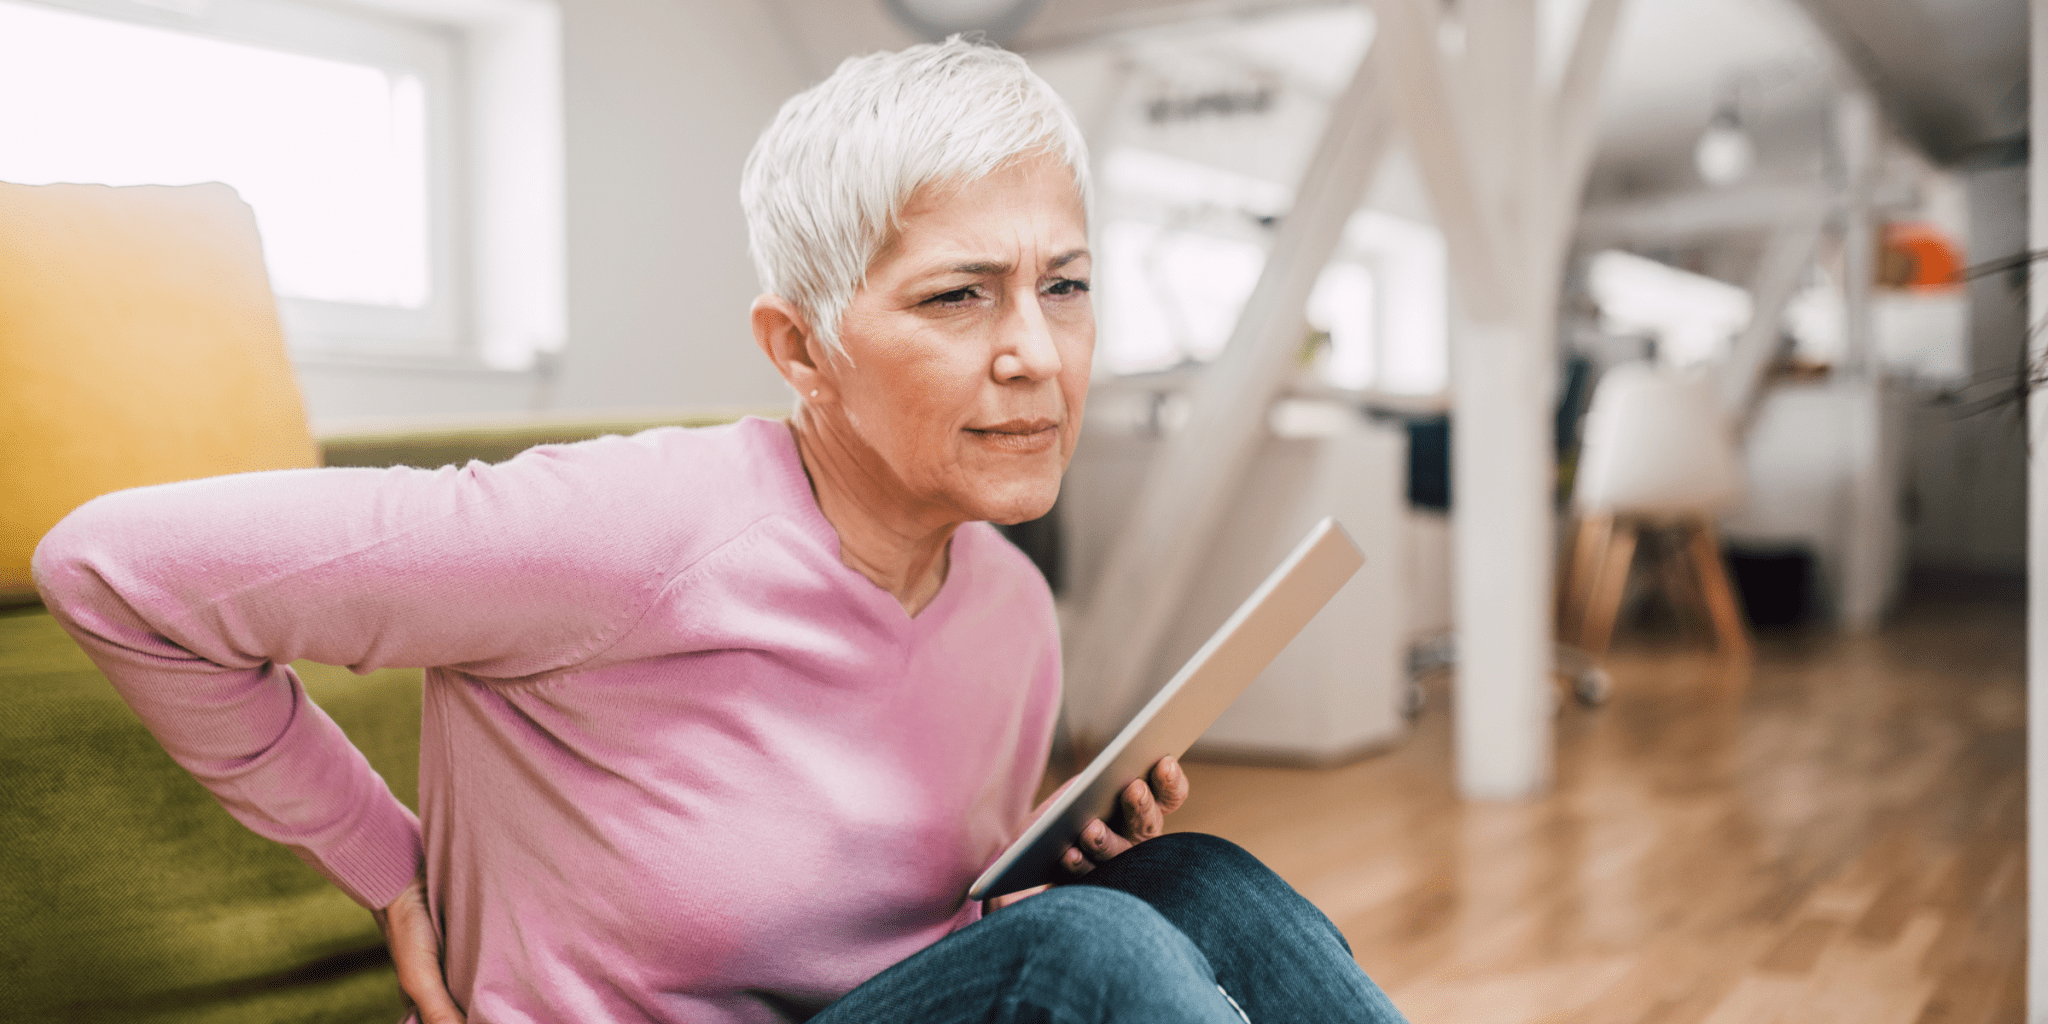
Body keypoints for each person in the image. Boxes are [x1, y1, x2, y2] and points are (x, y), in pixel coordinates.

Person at [33, 36, 1409, 1024]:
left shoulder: (1006, 607)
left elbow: (914, 938)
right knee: (1095, 955)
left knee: (1192, 880)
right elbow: (111, 569)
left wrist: (1035, 874)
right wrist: (390, 870)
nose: (1039, 356)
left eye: (1065, 286)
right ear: (800, 351)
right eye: (958, 299)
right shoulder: (621, 531)